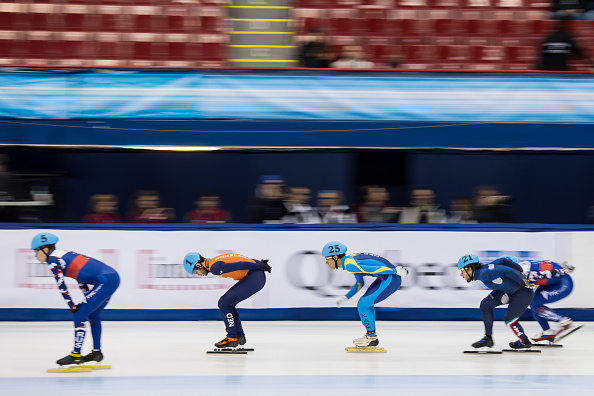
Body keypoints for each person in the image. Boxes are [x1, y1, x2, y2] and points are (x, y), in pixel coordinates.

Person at [31, 232, 120, 365]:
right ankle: (97, 352)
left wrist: (72, 306)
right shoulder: (62, 254)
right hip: (111, 278)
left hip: (105, 281)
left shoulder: (53, 261)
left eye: (36, 251)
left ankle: (76, 354)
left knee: (79, 315)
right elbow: (80, 278)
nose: (35, 255)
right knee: (93, 315)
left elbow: (61, 285)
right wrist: (87, 299)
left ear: (45, 249)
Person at [322, 241, 408, 347]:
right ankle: (371, 336)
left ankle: (371, 337)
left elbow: (373, 269)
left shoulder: (349, 265)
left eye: (327, 259)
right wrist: (346, 297)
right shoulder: (349, 262)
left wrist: (394, 271)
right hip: (387, 276)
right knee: (365, 303)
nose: (326, 263)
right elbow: (360, 283)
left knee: (363, 304)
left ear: (335, 257)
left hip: (391, 277)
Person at [183, 251, 271, 348]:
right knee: (228, 304)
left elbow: (240, 265)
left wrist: (260, 266)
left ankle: (232, 337)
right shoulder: (214, 261)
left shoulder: (215, 267)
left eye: (195, 271)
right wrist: (260, 264)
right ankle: (239, 335)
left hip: (254, 278)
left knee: (224, 303)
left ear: (199, 264)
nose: (197, 274)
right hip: (255, 276)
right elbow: (242, 260)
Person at [458, 254, 534, 350]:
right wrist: (520, 270)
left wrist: (523, 280)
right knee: (485, 305)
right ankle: (488, 338)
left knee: (509, 319)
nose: (461, 275)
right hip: (509, 291)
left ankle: (525, 341)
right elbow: (503, 260)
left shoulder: (484, 274)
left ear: (469, 269)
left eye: (461, 271)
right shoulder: (485, 269)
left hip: (522, 293)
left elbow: (506, 270)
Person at [519, 259, 576, 342]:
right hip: (550, 282)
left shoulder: (524, 274)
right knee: (533, 304)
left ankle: (563, 321)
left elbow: (551, 272)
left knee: (535, 304)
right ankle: (548, 332)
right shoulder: (520, 266)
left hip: (563, 284)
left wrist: (562, 270)